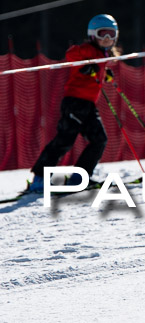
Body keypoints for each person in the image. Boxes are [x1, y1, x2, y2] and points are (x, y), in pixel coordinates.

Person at [28, 14, 119, 192]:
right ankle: (40, 179)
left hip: (89, 106)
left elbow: (95, 69)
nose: (107, 39)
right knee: (65, 140)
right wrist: (84, 65)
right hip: (74, 103)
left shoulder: (102, 54)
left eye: (111, 34)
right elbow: (71, 54)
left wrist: (103, 73)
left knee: (99, 140)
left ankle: (80, 177)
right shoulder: (87, 49)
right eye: (103, 34)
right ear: (93, 35)